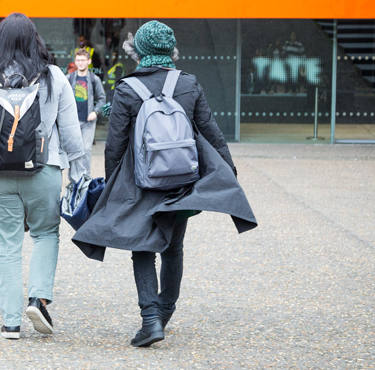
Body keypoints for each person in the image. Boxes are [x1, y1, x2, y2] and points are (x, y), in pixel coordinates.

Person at [73, 21, 257, 348]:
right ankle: (165, 309)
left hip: (141, 183)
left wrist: (116, 190)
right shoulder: (188, 84)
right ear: (171, 49)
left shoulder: (128, 88)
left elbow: (114, 146)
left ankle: (150, 319)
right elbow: (211, 134)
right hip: (182, 182)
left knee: (142, 248)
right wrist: (229, 172)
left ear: (140, 50)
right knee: (174, 248)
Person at [0, 13, 84, 340]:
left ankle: (10, 323)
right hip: (44, 171)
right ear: (35, 41)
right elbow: (72, 137)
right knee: (45, 234)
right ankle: (38, 299)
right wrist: (79, 176)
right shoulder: (54, 77)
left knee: (7, 244)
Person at [67, 49, 106, 176]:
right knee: (73, 150)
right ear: (75, 61)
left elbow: (102, 98)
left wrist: (95, 112)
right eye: (78, 60)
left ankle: (85, 178)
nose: (80, 63)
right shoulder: (69, 78)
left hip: (88, 121)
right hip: (73, 121)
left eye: (83, 60)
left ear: (89, 61)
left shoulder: (94, 79)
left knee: (86, 149)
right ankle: (73, 178)